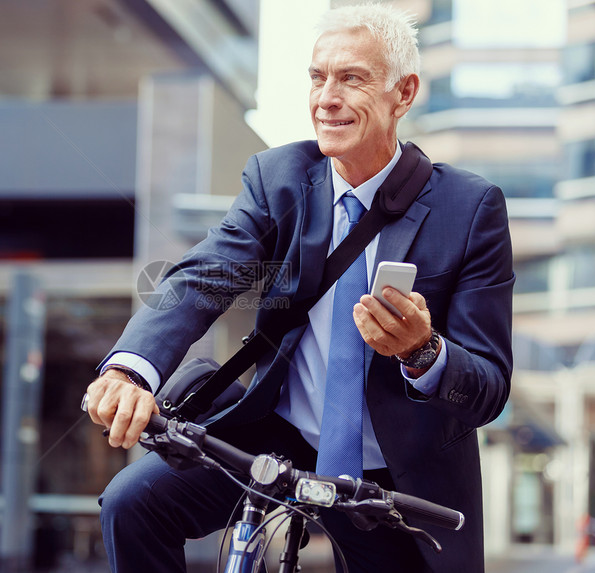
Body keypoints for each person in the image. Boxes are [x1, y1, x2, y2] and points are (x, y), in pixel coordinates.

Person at [84, 3, 514, 572]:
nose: (326, 98)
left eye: (352, 79)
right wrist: (130, 369)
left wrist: (422, 351)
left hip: (395, 474)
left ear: (403, 94)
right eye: (318, 78)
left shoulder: (471, 208)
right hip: (279, 437)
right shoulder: (278, 178)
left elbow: (489, 387)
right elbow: (203, 277)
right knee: (132, 504)